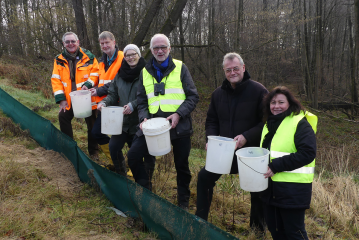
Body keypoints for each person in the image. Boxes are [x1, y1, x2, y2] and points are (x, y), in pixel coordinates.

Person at [195, 52, 268, 232]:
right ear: (224, 71)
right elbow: (211, 120)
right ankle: (200, 221)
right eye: (228, 70)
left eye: (236, 68)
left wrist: (246, 136)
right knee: (204, 178)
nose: (232, 72)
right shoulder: (218, 94)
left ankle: (257, 230)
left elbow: (267, 122)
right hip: (223, 152)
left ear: (243, 68)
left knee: (258, 189)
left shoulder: (259, 91)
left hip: (251, 153)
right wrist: (210, 139)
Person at [127, 34, 199, 210]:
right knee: (133, 156)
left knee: (181, 165)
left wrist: (178, 114)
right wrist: (143, 118)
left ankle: (183, 202)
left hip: (178, 125)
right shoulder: (145, 71)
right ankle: (146, 193)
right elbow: (142, 100)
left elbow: (193, 96)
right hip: (152, 126)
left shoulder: (181, 68)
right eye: (156, 48)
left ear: (169, 48)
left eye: (163, 47)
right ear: (151, 50)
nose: (160, 51)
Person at [261, 86, 317, 239]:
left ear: (290, 104)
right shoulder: (269, 125)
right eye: (273, 102)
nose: (276, 106)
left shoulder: (300, 123)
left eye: (281, 102)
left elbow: (308, 153)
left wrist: (275, 166)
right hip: (271, 190)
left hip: (293, 191)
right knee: (276, 230)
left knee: (294, 233)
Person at [97, 44, 155, 176]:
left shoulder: (147, 72)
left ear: (139, 55)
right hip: (122, 122)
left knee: (142, 154)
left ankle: (145, 181)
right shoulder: (120, 74)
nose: (130, 57)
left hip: (141, 121)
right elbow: (112, 94)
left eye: (133, 54)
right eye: (127, 55)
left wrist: (133, 104)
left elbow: (150, 95)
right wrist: (104, 102)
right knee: (113, 147)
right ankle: (121, 175)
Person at [51, 32, 99, 157]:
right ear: (63, 44)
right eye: (67, 42)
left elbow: (95, 74)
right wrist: (61, 99)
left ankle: (94, 153)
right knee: (63, 117)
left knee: (92, 124)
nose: (70, 44)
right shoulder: (58, 59)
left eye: (73, 41)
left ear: (78, 42)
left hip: (87, 97)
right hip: (69, 99)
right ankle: (70, 150)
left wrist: (88, 85)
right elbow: (56, 80)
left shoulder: (89, 57)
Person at [82, 31, 124, 163]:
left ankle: (125, 166)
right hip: (105, 104)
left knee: (121, 137)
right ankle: (116, 162)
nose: (105, 46)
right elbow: (97, 77)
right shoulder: (102, 61)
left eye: (107, 42)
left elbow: (118, 82)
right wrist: (88, 86)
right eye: (102, 44)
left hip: (119, 103)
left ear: (114, 42)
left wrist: (98, 91)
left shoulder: (123, 58)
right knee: (97, 132)